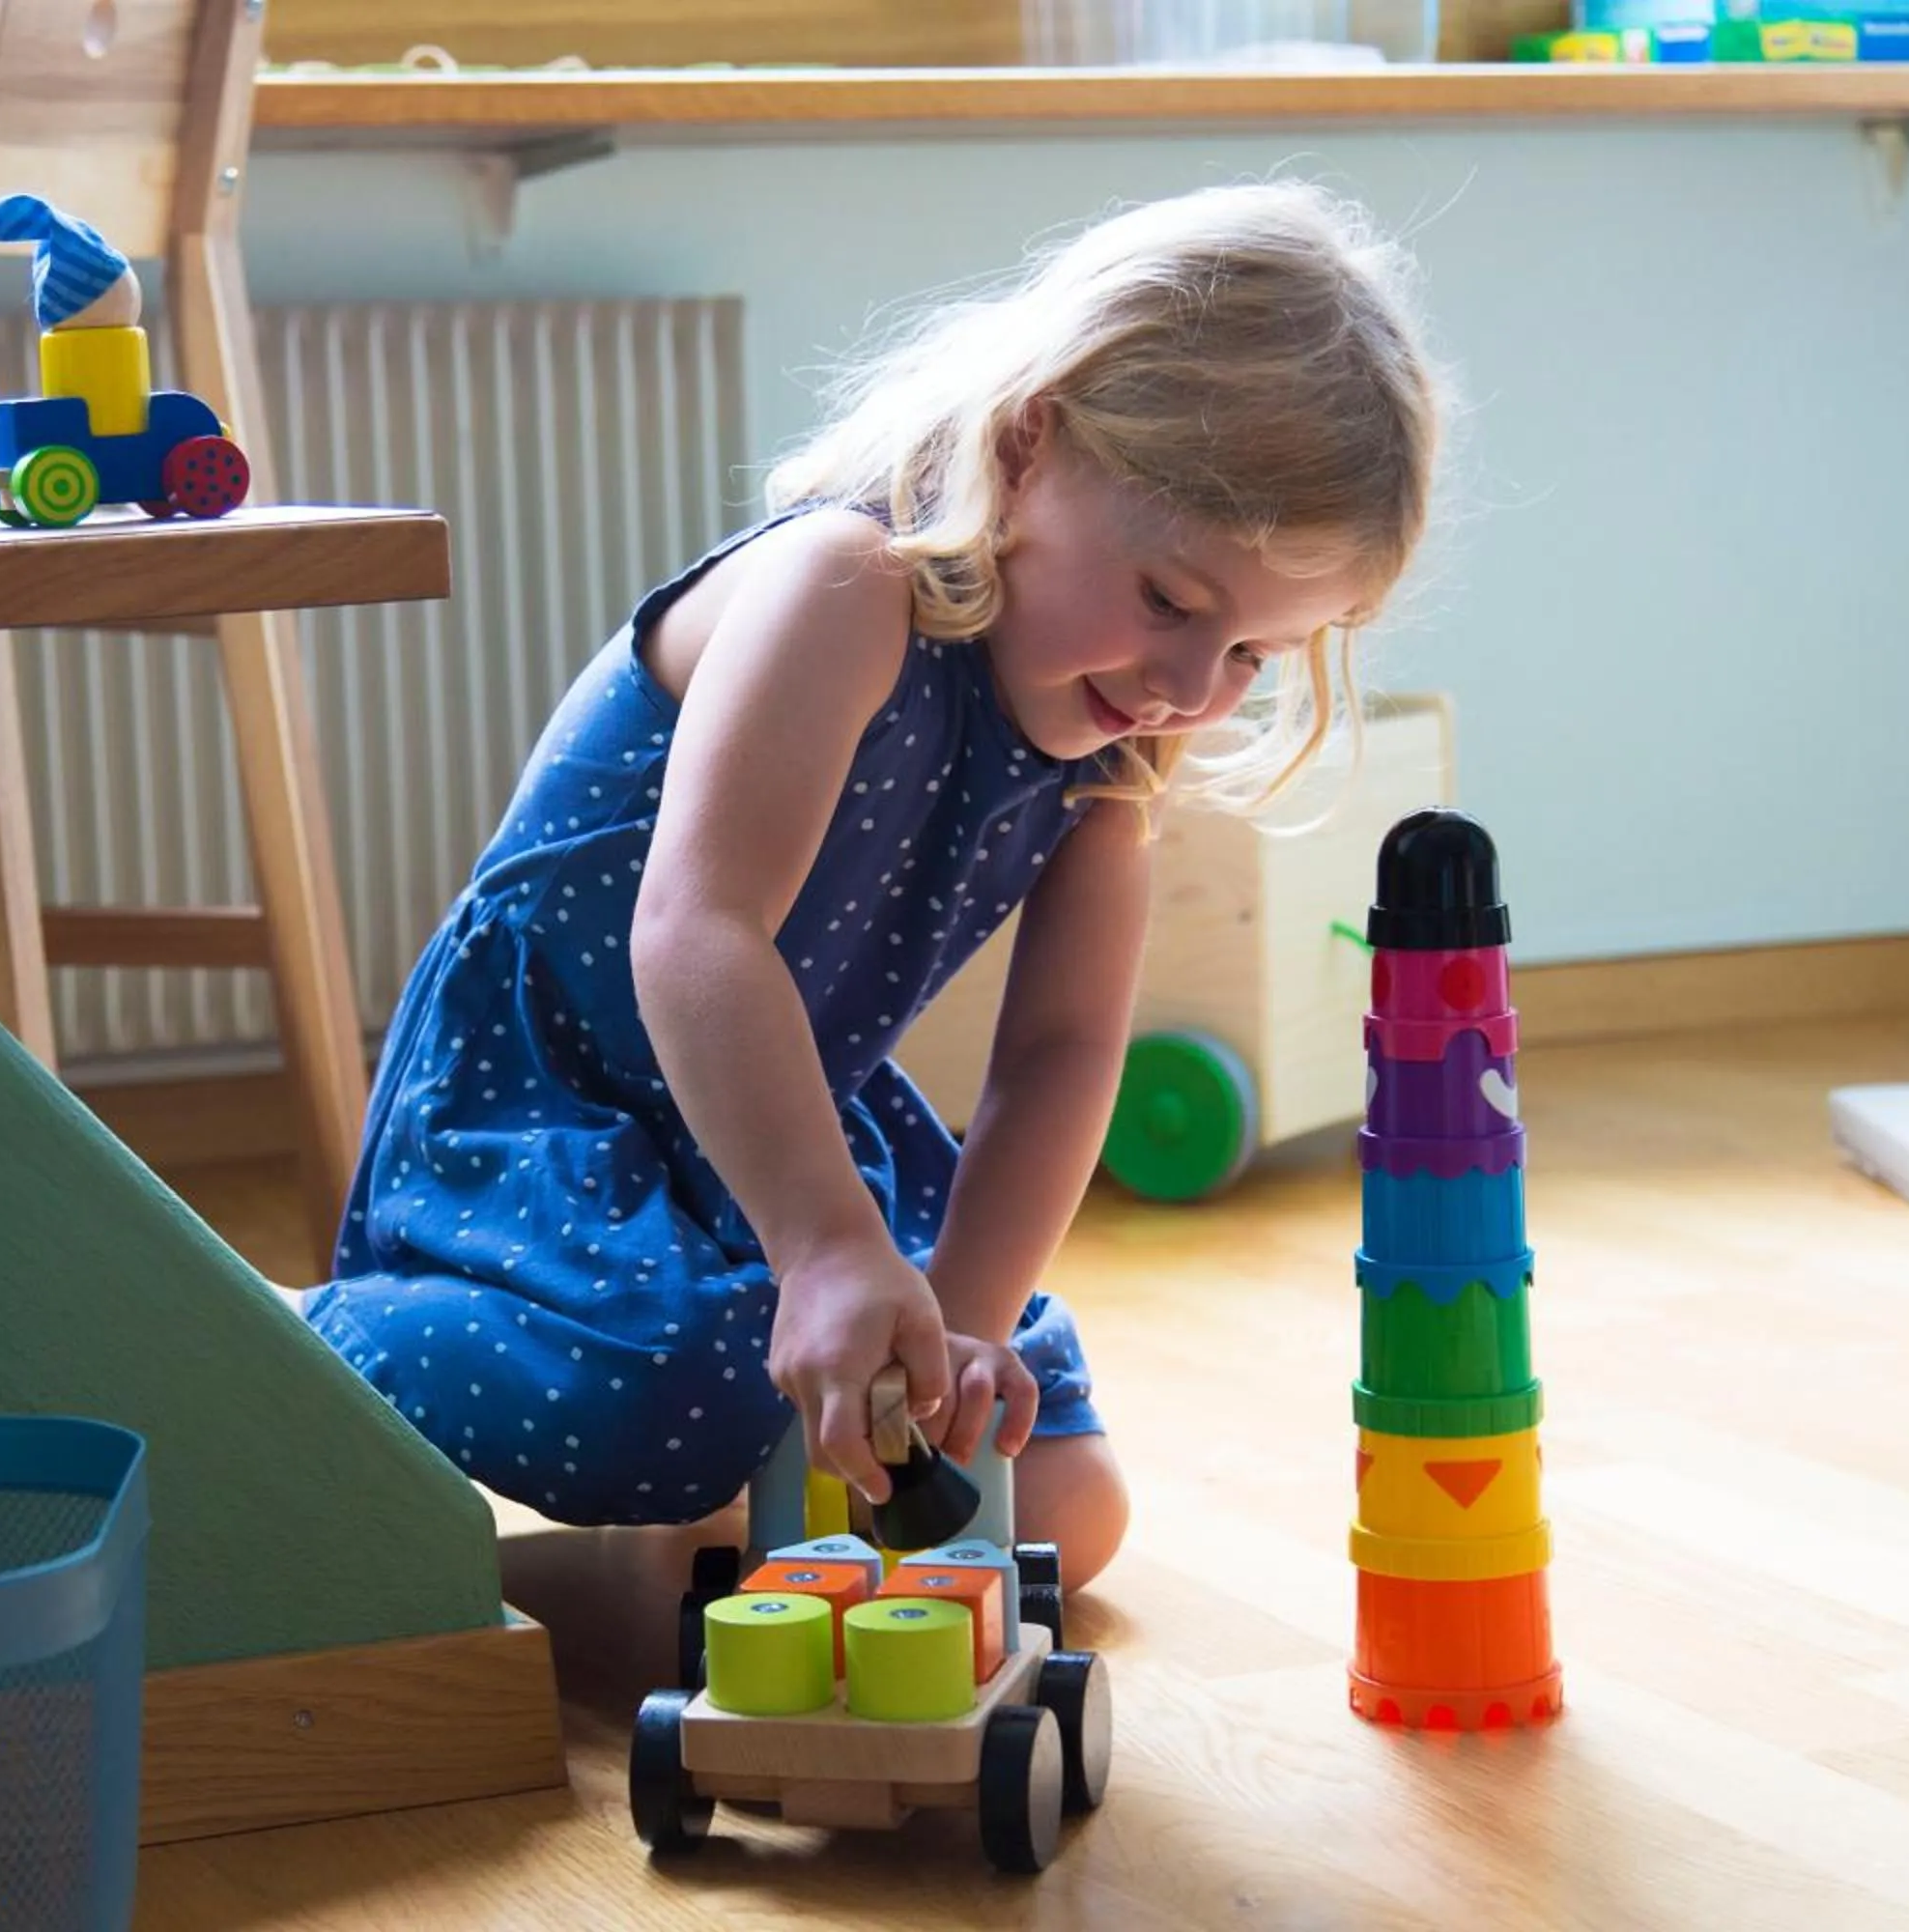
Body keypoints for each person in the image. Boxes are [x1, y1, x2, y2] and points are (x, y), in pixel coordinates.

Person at [297, 179, 1446, 1592]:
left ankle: (762, 1473)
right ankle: (308, 1330)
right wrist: (833, 1250)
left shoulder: (1109, 759)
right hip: (553, 1113)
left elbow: (1061, 1052)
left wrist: (957, 1331)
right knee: (678, 1400)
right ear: (1033, 443)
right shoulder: (844, 586)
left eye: (1254, 656)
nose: (1189, 693)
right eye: (1170, 603)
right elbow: (697, 930)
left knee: (1065, 1511)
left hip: (791, 1134)